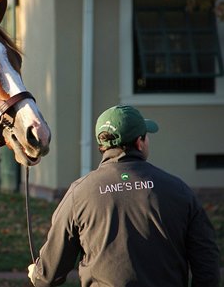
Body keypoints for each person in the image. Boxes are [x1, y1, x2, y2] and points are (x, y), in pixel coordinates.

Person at [27, 104, 220, 287]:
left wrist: (37, 274)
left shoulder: (79, 194)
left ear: (101, 146)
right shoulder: (179, 190)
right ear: (139, 142)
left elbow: (49, 276)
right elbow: (207, 265)